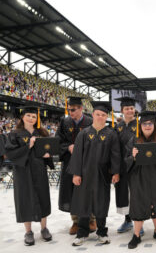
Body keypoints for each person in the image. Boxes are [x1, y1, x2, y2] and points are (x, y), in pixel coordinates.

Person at [67, 101, 121, 246]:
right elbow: (77, 154)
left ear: (106, 117)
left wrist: (116, 172)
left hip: (103, 175)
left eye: (103, 115)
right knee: (83, 203)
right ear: (93, 115)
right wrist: (76, 174)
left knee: (101, 203)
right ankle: (82, 233)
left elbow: (115, 155)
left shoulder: (111, 134)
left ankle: (102, 232)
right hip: (84, 175)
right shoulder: (84, 134)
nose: (100, 117)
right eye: (98, 114)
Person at [125, 111, 156, 249]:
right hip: (139, 177)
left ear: (154, 125)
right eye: (145, 124)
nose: (147, 126)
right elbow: (126, 160)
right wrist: (132, 157)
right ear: (140, 126)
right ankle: (136, 235)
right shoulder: (133, 140)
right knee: (138, 203)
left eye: (150, 123)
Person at [4, 106, 53, 246]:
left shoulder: (42, 132)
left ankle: (44, 228)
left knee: (43, 197)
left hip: (39, 170)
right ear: (22, 117)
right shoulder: (14, 133)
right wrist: (28, 146)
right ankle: (28, 231)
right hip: (23, 172)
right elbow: (11, 154)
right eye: (28, 116)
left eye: (34, 116)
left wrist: (48, 156)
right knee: (25, 198)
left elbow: (49, 149)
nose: (31, 118)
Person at [56, 96, 95, 235]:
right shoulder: (64, 122)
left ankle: (91, 219)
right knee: (71, 191)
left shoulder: (91, 121)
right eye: (69, 109)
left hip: (87, 162)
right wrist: (68, 147)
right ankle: (75, 221)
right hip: (70, 161)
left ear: (81, 109)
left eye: (73, 109)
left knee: (88, 189)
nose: (70, 112)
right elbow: (58, 141)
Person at [114, 97, 144, 236]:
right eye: (127, 109)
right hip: (121, 165)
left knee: (137, 193)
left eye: (131, 108)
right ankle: (127, 220)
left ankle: (139, 221)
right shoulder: (117, 127)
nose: (130, 111)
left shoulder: (140, 125)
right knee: (124, 194)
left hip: (136, 164)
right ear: (122, 111)